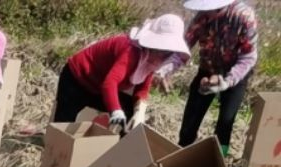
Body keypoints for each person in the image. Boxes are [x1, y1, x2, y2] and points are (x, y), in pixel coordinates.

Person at [52, 16, 191, 135]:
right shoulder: (131, 51)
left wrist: (139, 111)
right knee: (63, 125)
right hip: (77, 78)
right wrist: (116, 111)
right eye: (162, 51)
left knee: (129, 113)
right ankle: (54, 152)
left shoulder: (152, 61)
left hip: (97, 86)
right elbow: (110, 83)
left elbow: (142, 89)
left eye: (168, 53)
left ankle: (119, 151)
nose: (163, 56)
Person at [179, 0, 258, 154]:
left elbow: (248, 56)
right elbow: (183, 47)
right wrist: (166, 69)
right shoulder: (202, 17)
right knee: (191, 118)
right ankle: (182, 151)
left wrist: (227, 81)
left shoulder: (244, 17)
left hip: (236, 73)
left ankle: (219, 158)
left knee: (226, 121)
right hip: (208, 70)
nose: (206, 13)